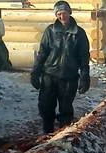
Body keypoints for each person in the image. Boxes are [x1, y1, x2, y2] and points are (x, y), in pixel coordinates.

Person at [30, 0, 90, 134]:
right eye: (59, 14)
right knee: (46, 107)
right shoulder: (50, 31)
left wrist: (85, 77)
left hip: (69, 78)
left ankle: (63, 136)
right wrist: (35, 73)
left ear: (69, 12)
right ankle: (47, 134)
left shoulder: (79, 33)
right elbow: (43, 53)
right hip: (49, 76)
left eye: (64, 13)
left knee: (66, 109)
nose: (62, 17)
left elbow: (84, 57)